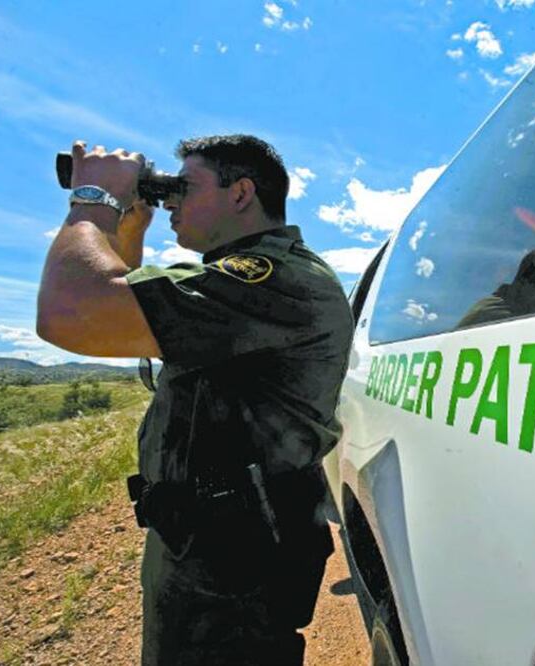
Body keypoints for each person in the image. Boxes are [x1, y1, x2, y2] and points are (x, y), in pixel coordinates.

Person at [37, 135, 353, 665]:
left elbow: (72, 312)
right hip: (208, 543)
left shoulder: (272, 278)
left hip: (235, 558)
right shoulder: (233, 282)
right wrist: (130, 226)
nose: (171, 202)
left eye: (183, 187)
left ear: (241, 193)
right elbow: (117, 325)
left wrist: (95, 198)